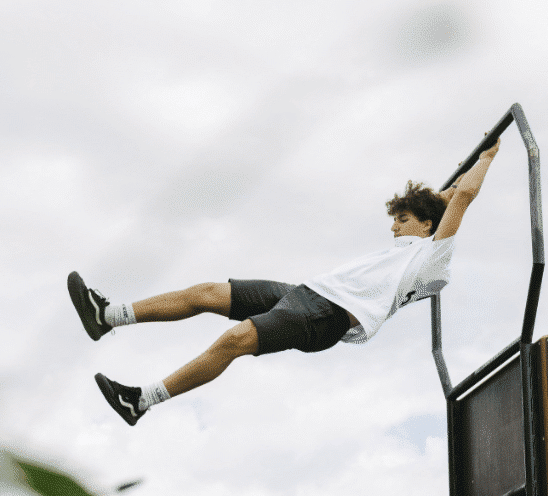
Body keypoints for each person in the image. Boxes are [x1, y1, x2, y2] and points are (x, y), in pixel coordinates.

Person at [69, 140, 501, 425]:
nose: (393, 228)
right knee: (205, 293)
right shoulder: (407, 249)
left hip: (326, 316)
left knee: (234, 340)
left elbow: (461, 197)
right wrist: (434, 200)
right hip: (306, 292)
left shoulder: (432, 259)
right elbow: (446, 199)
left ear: (427, 225)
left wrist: (485, 158)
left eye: (402, 220)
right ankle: (106, 316)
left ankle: (140, 400)